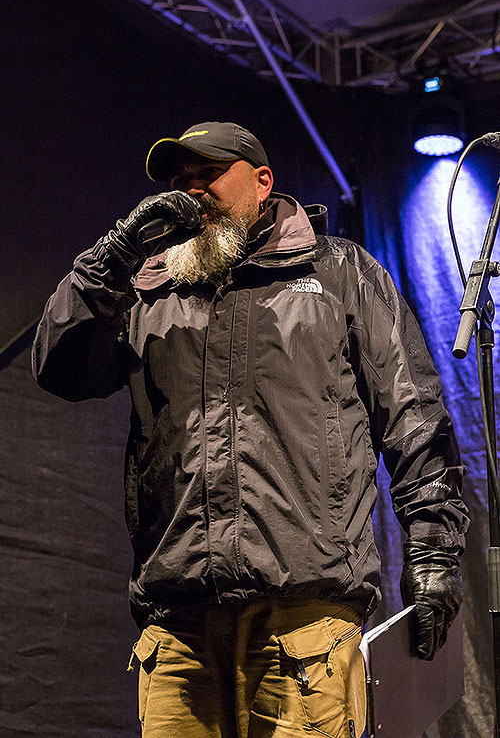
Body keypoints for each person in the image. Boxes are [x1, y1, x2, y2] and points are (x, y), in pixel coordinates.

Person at [32, 121, 469, 738]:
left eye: (207, 174)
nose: (190, 192)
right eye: (180, 181)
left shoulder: (340, 272)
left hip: (306, 623)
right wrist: (114, 255)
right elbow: (59, 366)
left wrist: (432, 550)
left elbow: (413, 418)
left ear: (262, 182)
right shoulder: (147, 290)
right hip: (178, 625)